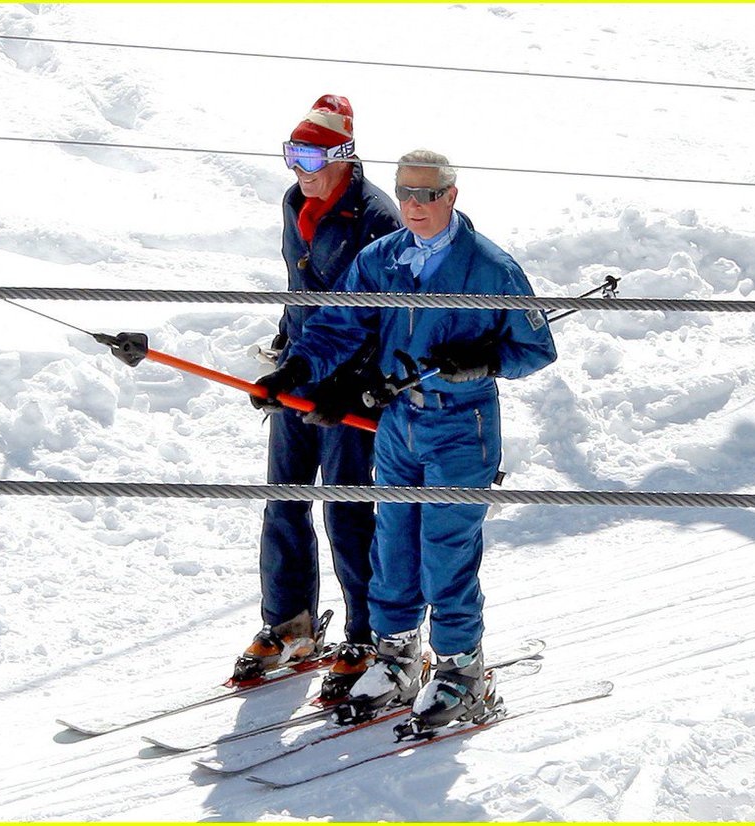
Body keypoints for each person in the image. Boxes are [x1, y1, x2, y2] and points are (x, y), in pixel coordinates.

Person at [252, 149, 558, 730]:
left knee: (446, 548)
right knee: (390, 546)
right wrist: (296, 370)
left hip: (458, 426)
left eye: (428, 194)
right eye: (406, 193)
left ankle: (461, 671)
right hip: (398, 425)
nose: (414, 206)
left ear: (452, 195)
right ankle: (395, 661)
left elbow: (535, 348)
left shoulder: (489, 267)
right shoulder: (383, 258)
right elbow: (342, 324)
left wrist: (483, 362)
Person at [234, 95, 401, 702]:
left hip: (349, 386)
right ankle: (289, 623)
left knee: (347, 510)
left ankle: (367, 631)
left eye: (308, 154)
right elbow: (300, 288)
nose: (297, 167)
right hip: (302, 370)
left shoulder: (375, 217)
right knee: (284, 499)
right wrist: (285, 353)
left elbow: (381, 314)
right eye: (291, 153)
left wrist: (355, 383)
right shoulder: (295, 203)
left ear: (343, 154)